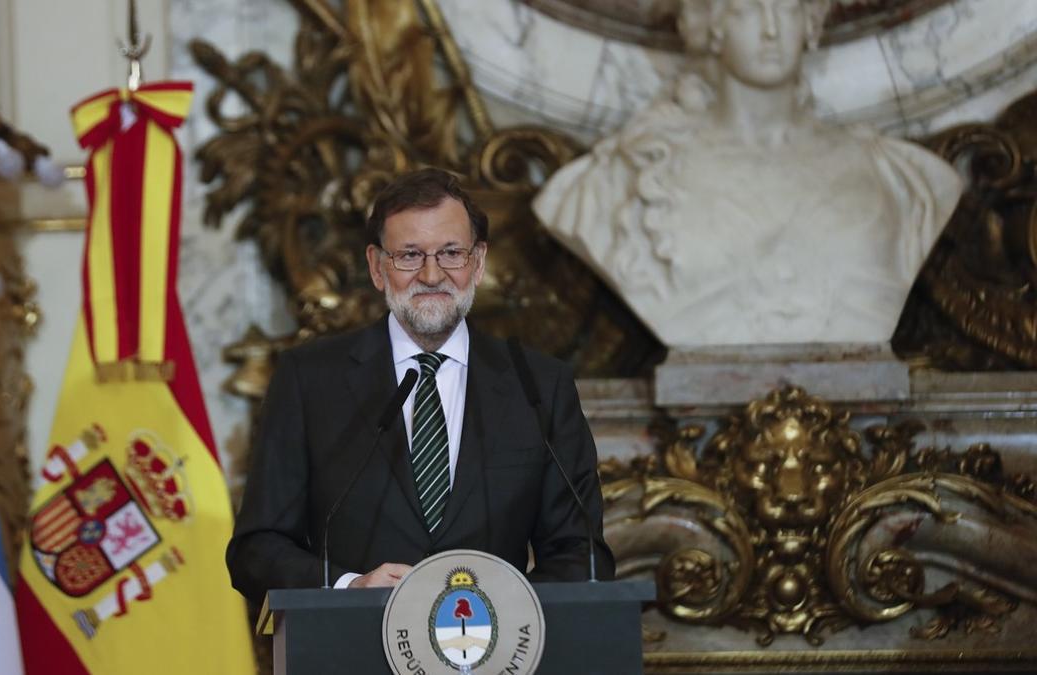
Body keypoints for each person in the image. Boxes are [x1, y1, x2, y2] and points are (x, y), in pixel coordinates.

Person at [227, 168, 614, 604]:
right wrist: (350, 587)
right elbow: (256, 551)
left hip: (498, 659)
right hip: (354, 649)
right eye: (409, 255)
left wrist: (498, 604)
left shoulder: (540, 385)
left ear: (478, 262)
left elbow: (583, 554)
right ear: (377, 267)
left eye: (451, 252)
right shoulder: (310, 379)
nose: (432, 275)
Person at [533, 0, 961, 348]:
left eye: (789, 8)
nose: (771, 29)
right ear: (712, 24)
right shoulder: (626, 178)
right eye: (748, 9)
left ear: (812, 22)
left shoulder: (900, 177)